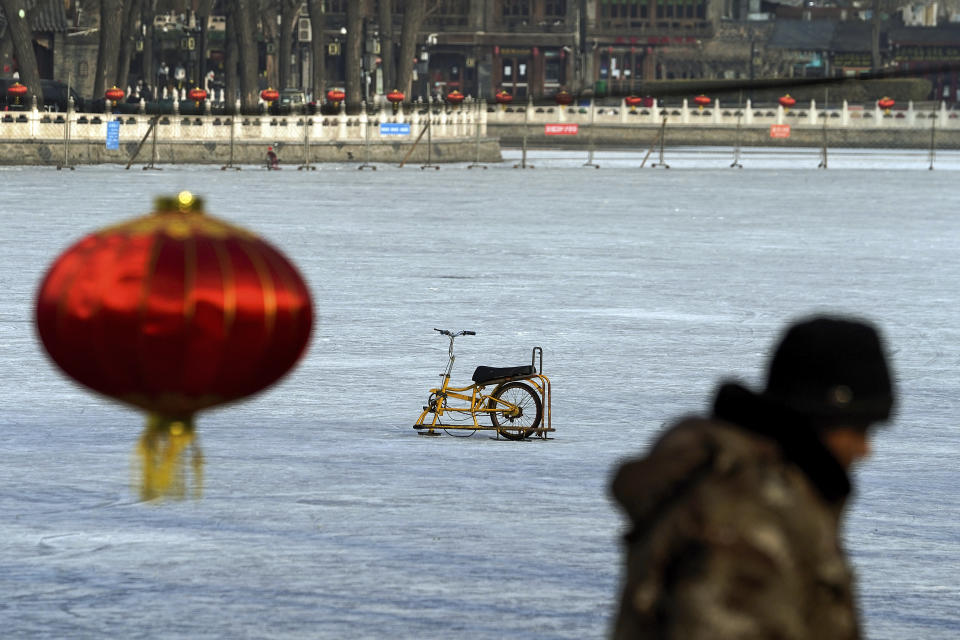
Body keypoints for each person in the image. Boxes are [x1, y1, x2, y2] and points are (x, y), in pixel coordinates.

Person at [610, 315, 896, 640]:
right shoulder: (743, 521)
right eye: (858, 429)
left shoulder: (779, 499)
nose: (865, 449)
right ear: (818, 421)